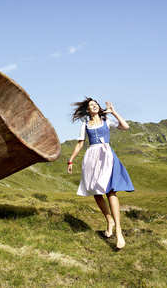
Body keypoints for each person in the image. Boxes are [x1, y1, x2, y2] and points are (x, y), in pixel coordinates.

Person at [67, 98, 134, 249]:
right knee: (97, 193)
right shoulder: (85, 125)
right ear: (88, 110)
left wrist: (114, 112)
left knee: (110, 191)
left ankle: (119, 232)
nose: (94, 106)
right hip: (92, 158)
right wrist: (71, 160)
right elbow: (80, 144)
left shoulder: (107, 121)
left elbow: (125, 126)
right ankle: (109, 220)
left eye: (95, 104)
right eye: (91, 105)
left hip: (107, 156)